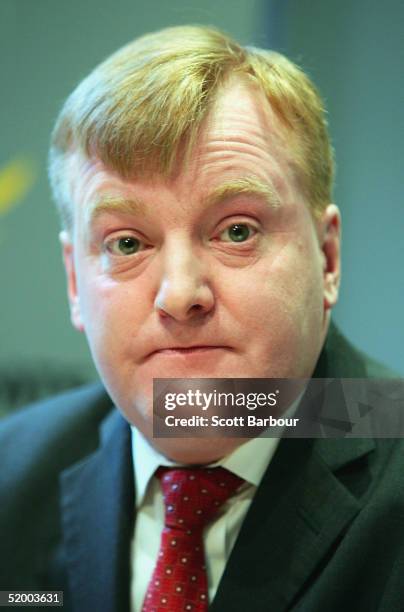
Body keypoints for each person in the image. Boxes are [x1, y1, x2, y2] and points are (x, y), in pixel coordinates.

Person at [0, 25, 403, 612]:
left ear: (328, 257)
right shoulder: (11, 476)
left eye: (237, 231)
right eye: (128, 244)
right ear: (73, 280)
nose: (180, 294)